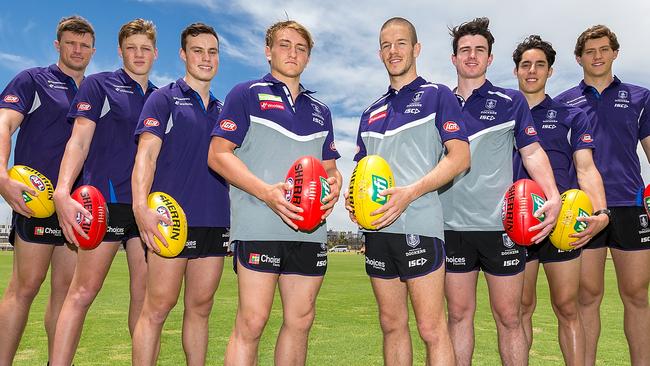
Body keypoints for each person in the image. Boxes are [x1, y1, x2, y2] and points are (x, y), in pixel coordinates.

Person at [208, 20, 341, 366]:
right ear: (268, 52)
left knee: (300, 321)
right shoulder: (245, 93)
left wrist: (336, 185)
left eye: (300, 48)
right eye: (284, 45)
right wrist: (266, 192)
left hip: (311, 231)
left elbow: (329, 169)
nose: (292, 53)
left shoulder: (320, 110)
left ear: (308, 57)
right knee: (252, 322)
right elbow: (218, 154)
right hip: (259, 224)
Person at [346, 17, 469, 366]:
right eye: (386, 45)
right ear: (379, 53)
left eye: (400, 43)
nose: (393, 51)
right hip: (377, 230)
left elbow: (460, 157)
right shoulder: (370, 111)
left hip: (420, 225)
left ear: (416, 49)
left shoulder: (438, 95)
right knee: (391, 325)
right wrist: (352, 198)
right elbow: (361, 169)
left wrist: (410, 192)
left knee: (431, 329)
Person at [439, 17, 561, 366]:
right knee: (458, 316)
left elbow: (533, 152)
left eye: (480, 50)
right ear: (454, 58)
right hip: (452, 227)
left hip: (501, 227)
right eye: (465, 50)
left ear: (490, 58)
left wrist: (552, 196)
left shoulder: (510, 101)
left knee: (509, 318)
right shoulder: (439, 101)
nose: (472, 56)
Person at [49, 18, 157, 366]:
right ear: (121, 51)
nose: (138, 54)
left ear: (155, 53)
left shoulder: (161, 98)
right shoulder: (99, 85)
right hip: (103, 204)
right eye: (131, 48)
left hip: (144, 210)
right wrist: (63, 191)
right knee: (81, 293)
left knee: (144, 299)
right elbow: (78, 141)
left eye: (144, 48)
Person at [130, 22, 230, 366]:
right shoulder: (163, 98)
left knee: (201, 309)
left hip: (215, 221)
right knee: (157, 309)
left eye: (212, 51)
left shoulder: (224, 110)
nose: (206, 58)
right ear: (183, 55)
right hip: (171, 221)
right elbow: (146, 156)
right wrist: (140, 207)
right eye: (198, 51)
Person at [0, 15, 95, 365]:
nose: (77, 50)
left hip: (75, 205)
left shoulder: (94, 90)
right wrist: (2, 177)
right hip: (36, 202)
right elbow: (4, 124)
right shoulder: (33, 80)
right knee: (24, 288)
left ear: (93, 50)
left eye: (84, 45)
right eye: (71, 43)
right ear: (58, 45)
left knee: (65, 294)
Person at [556, 24, 650, 365]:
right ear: (579, 57)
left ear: (614, 53)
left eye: (604, 49)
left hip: (630, 204)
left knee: (637, 295)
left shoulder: (641, 97)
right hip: (583, 209)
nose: (597, 56)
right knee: (587, 296)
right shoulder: (564, 103)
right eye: (590, 51)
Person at [512, 34, 608, 366]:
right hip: (517, 222)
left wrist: (602, 212)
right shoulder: (504, 114)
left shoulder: (570, 115)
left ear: (550, 71)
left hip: (562, 221)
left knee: (567, 307)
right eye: (526, 65)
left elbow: (586, 168)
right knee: (520, 309)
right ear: (516, 71)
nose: (532, 70)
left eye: (540, 64)